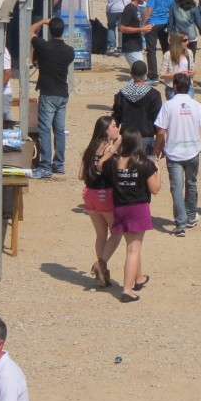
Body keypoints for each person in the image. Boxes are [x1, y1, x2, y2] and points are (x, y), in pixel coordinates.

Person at [101, 128, 160, 302]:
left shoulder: (114, 163)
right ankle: (127, 290)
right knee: (134, 249)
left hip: (120, 208)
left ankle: (139, 278)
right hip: (138, 208)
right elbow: (155, 189)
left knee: (132, 245)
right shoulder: (144, 163)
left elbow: (100, 164)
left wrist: (113, 147)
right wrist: (159, 171)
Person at [154, 73, 201, 237]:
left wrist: (157, 149)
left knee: (177, 188)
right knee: (191, 184)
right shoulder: (196, 105)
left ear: (174, 87)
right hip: (193, 151)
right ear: (189, 87)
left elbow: (161, 131)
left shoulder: (168, 106)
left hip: (174, 153)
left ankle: (180, 223)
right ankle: (190, 216)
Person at [29, 16, 76, 179]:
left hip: (48, 93)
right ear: (62, 30)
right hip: (62, 93)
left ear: (50, 31)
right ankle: (59, 164)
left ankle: (45, 166)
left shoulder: (43, 46)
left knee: (44, 130)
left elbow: (30, 30)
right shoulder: (69, 50)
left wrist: (42, 21)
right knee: (59, 130)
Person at [79, 116, 122, 288]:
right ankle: (101, 263)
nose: (116, 128)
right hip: (105, 194)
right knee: (117, 232)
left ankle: (102, 274)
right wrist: (117, 146)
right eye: (113, 126)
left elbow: (81, 175)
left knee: (101, 235)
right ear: (105, 130)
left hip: (89, 194)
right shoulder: (110, 149)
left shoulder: (90, 149)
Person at [112, 61, 162, 154]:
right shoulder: (154, 94)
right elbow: (158, 121)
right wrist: (160, 143)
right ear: (146, 74)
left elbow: (115, 119)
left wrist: (115, 141)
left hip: (127, 138)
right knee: (146, 167)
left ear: (131, 74)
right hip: (146, 139)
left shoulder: (121, 94)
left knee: (127, 167)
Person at [144, 0, 174, 84]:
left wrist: (143, 24)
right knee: (166, 49)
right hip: (165, 23)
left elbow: (149, 11)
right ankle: (168, 73)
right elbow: (171, 10)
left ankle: (153, 76)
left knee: (151, 50)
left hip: (153, 23)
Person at [119, 0, 152, 70]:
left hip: (136, 45)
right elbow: (122, 28)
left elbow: (134, 25)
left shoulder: (136, 8)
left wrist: (144, 28)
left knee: (138, 73)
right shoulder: (129, 9)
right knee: (140, 72)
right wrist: (141, 29)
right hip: (131, 47)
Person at [158, 32, 195, 101]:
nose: (187, 42)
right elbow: (162, 75)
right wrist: (178, 74)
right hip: (173, 87)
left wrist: (192, 72)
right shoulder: (168, 55)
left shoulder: (189, 52)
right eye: (185, 40)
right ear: (177, 42)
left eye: (187, 40)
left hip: (187, 86)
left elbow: (193, 68)